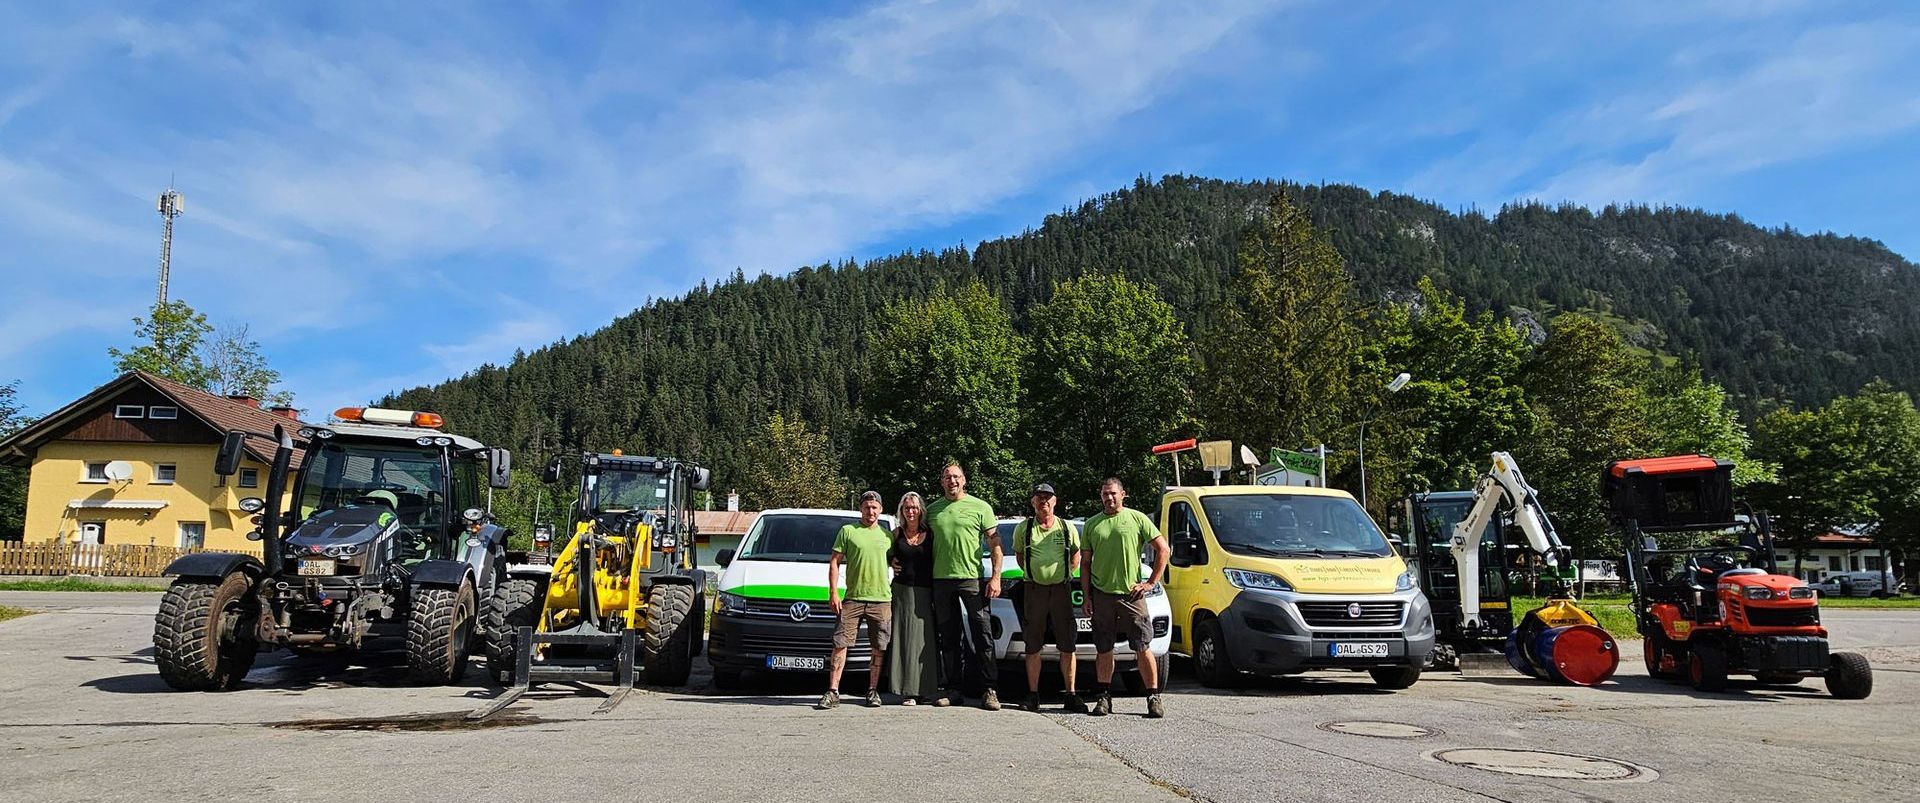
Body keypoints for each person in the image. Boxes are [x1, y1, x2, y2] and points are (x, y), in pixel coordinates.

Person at [1080, 477, 1170, 718]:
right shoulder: (1092, 524)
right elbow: (1085, 564)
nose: (1108, 498)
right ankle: (1103, 697)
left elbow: (1163, 549)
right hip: (1102, 595)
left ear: (1123, 494)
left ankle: (1153, 697)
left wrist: (1151, 583)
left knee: (1142, 645)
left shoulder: (1137, 518)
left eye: (1112, 493)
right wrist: (1087, 596)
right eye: (1104, 494)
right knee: (1104, 648)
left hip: (1132, 595)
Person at [925, 462, 1004, 710]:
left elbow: (995, 544)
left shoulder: (981, 507)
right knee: (948, 636)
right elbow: (916, 541)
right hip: (940, 580)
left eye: (956, 477)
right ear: (941, 482)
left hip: (971, 578)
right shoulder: (933, 510)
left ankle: (989, 689)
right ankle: (953, 689)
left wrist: (996, 577)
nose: (952, 481)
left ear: (964, 480)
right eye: (947, 477)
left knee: (982, 634)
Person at [1013, 482, 1084, 713]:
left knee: (1068, 644)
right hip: (1034, 590)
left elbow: (1076, 555)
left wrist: (1064, 575)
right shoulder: (1024, 528)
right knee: (1033, 645)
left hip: (1061, 590)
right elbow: (1020, 557)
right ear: (1033, 502)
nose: (1043, 501)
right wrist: (1037, 574)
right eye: (1039, 497)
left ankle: (1071, 694)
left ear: (1055, 501)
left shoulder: (1066, 527)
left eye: (1048, 497)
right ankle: (1033, 695)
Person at [819, 491, 893, 710]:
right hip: (852, 598)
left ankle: (872, 691)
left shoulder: (888, 536)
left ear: (880, 510)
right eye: (867, 507)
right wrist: (833, 592)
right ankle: (833, 691)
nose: (871, 511)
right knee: (840, 644)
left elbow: (899, 559)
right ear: (861, 508)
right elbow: (834, 561)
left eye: (875, 507)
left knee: (878, 647)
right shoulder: (848, 531)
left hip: (881, 599)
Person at [886, 491, 939, 705]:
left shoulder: (931, 534)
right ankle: (906, 689)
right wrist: (891, 562)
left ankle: (925, 689)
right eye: (907, 507)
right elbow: (885, 554)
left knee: (924, 640)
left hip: (925, 591)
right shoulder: (896, 534)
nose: (911, 511)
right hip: (901, 591)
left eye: (914, 507)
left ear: (921, 510)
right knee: (903, 639)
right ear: (901, 510)